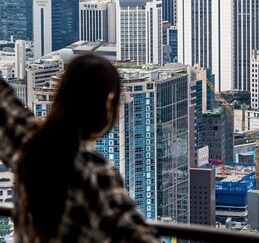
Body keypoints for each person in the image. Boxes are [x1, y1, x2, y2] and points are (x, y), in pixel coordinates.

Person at [0, 54, 159, 242]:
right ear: (109, 102)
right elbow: (134, 233)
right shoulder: (95, 173)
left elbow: (5, 103)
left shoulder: (29, 143)